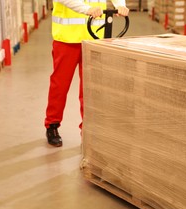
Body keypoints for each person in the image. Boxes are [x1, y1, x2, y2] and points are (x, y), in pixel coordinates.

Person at [45, 0, 129, 147]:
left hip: (94, 37)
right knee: (60, 85)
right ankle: (52, 124)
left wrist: (120, 4)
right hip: (67, 39)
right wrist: (87, 9)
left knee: (90, 88)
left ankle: (87, 129)